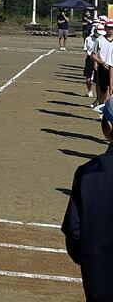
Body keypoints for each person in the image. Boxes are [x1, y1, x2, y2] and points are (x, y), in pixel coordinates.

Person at [62, 97, 113, 302]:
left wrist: (89, 259)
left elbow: (74, 232)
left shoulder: (86, 173)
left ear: (107, 127)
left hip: (99, 276)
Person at [91, 21, 113, 104]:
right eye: (109, 28)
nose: (111, 30)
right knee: (103, 90)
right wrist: (100, 62)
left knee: (110, 89)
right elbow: (93, 54)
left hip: (112, 67)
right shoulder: (99, 40)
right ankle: (101, 108)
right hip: (103, 67)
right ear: (105, 28)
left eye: (112, 28)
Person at [84, 24, 103, 103]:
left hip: (100, 60)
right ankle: (89, 91)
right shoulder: (88, 39)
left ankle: (98, 99)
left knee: (98, 81)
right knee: (88, 78)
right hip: (90, 59)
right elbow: (86, 50)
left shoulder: (102, 39)